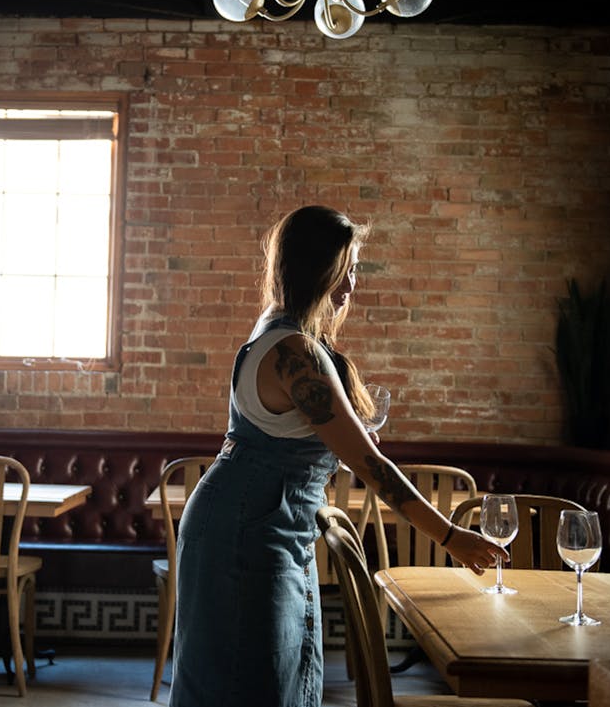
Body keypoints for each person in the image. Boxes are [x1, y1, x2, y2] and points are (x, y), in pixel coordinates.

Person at [169, 205, 505, 707]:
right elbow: (371, 466)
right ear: (314, 269)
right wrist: (451, 537)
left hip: (266, 527)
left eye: (353, 267)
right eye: (343, 268)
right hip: (243, 534)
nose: (351, 281)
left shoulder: (286, 329)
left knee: (276, 681)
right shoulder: (293, 352)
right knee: (248, 686)